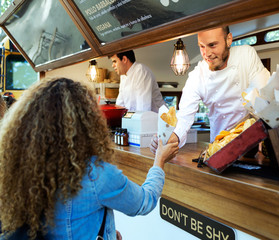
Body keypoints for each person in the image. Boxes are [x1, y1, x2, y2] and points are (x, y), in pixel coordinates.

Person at [0, 77, 179, 239]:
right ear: (87, 120)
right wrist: (159, 161)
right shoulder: (96, 175)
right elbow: (143, 202)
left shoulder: (20, 167)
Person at [150, 26, 269, 152]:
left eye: (212, 45)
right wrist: (166, 139)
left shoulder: (246, 55)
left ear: (228, 40)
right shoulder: (197, 76)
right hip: (219, 147)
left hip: (255, 144)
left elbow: (263, 97)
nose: (206, 54)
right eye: (202, 46)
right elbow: (184, 118)